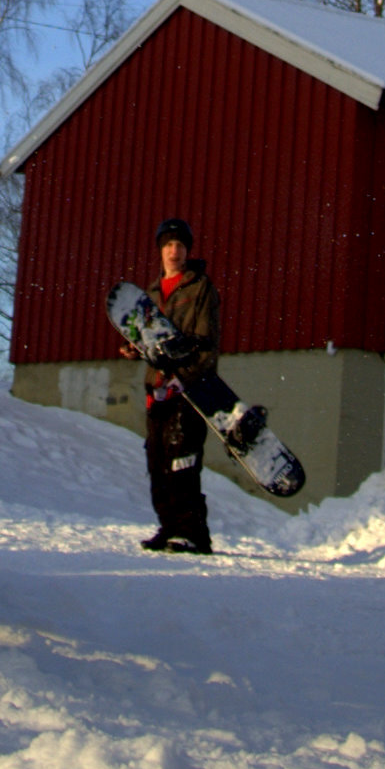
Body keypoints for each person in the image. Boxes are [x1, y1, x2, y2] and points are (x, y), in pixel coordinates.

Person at [124, 216, 220, 557]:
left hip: (188, 388)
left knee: (183, 460)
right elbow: (146, 341)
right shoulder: (149, 294)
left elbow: (206, 339)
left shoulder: (200, 288)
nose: (174, 252)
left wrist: (185, 364)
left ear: (187, 251)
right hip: (157, 388)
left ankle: (192, 533)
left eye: (179, 246)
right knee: (158, 461)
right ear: (160, 250)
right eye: (168, 246)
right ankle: (169, 526)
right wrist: (134, 350)